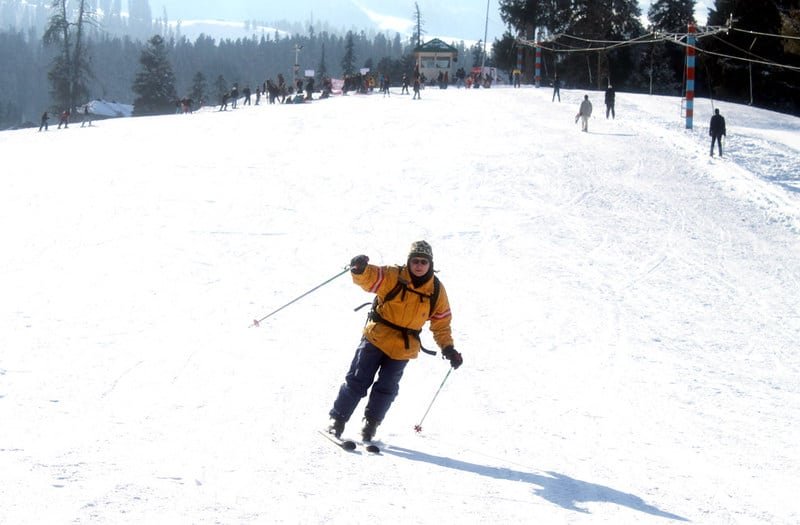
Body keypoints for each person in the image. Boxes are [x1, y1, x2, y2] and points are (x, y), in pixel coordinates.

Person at [327, 241, 463, 442]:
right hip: (376, 338)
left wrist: (448, 348)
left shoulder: (436, 290)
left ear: (430, 264)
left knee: (387, 389)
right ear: (409, 261)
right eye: (415, 261)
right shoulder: (394, 275)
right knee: (357, 380)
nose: (419, 265)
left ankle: (370, 425)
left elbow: (441, 324)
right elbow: (371, 278)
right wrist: (361, 269)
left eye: (423, 262)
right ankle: (337, 420)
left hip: (403, 349)